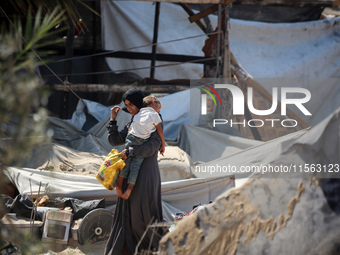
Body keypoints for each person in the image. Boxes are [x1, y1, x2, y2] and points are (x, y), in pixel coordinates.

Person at [105, 89, 164, 255]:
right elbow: (114, 140)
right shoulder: (133, 123)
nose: (129, 108)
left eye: (131, 104)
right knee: (127, 213)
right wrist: (113, 120)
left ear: (139, 103)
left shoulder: (154, 119)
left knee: (143, 214)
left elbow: (152, 147)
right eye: (126, 106)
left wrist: (130, 152)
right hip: (130, 169)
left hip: (146, 173)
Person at [115, 95, 166, 200]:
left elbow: (131, 128)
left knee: (125, 164)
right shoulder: (155, 115)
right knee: (135, 167)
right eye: (159, 108)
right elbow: (159, 132)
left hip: (130, 138)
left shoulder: (138, 113)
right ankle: (129, 188)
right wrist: (163, 144)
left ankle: (119, 185)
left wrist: (113, 120)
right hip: (141, 143)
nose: (159, 112)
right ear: (153, 102)